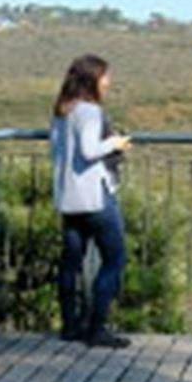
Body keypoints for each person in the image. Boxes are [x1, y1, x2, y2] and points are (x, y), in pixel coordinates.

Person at [49, 54, 134, 347]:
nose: (108, 82)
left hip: (68, 198)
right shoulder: (89, 112)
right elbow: (88, 150)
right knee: (114, 259)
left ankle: (70, 325)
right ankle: (97, 328)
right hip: (95, 198)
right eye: (105, 76)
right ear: (93, 79)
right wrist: (115, 143)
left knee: (71, 263)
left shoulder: (62, 110)